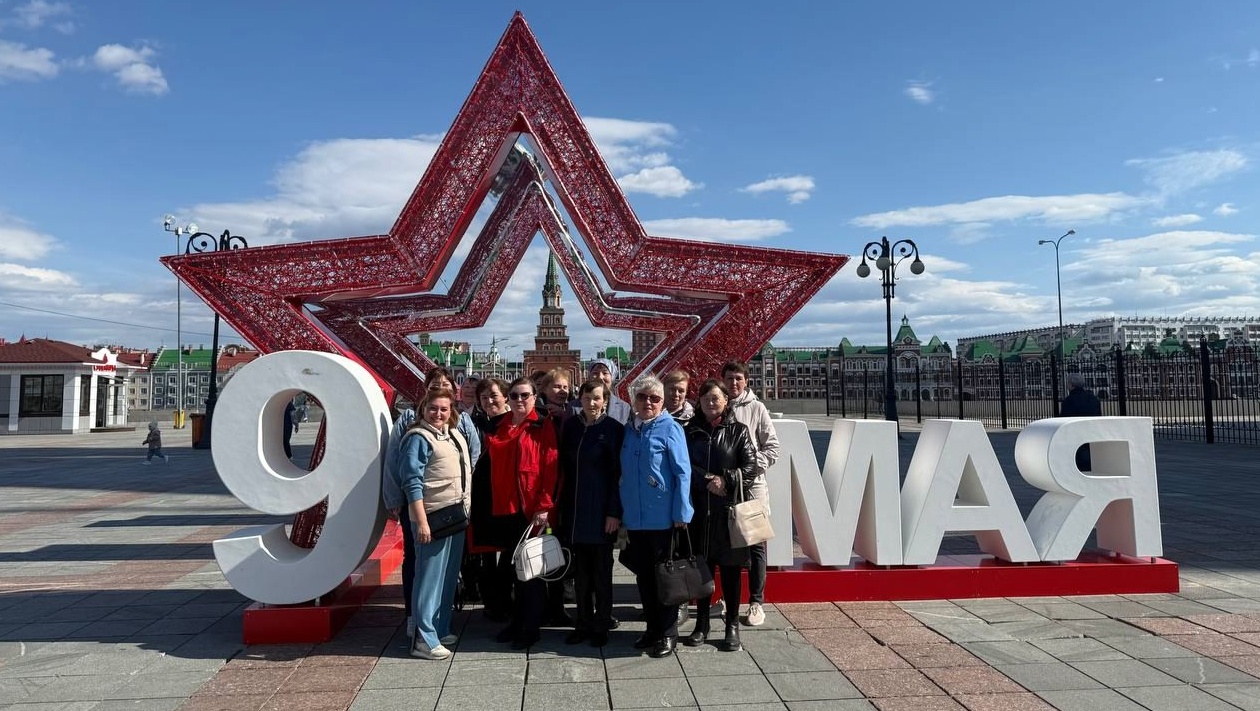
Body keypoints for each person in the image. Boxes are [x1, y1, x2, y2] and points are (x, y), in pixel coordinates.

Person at [620, 374, 693, 658]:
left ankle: (668, 632)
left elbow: (683, 472)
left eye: (654, 398)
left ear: (662, 402)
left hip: (662, 518)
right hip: (635, 518)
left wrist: (682, 511)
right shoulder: (629, 430)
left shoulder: (670, 428)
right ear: (633, 400)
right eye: (642, 397)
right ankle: (651, 629)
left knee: (665, 578)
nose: (648, 402)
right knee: (644, 577)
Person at [397, 388, 473, 660]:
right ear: (423, 409)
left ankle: (439, 628)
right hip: (432, 516)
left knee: (447, 577)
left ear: (451, 411)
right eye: (433, 408)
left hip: (455, 514)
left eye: (443, 409)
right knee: (428, 579)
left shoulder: (451, 434)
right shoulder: (418, 438)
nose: (438, 414)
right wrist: (421, 522)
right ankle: (423, 638)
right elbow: (411, 482)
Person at [485, 377, 559, 649]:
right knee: (513, 569)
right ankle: (517, 621)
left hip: (531, 509)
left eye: (525, 395)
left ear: (534, 397)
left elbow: (551, 467)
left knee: (531, 571)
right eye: (514, 395)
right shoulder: (501, 425)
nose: (519, 400)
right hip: (505, 508)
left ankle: (531, 627)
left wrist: (544, 506)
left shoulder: (543, 425)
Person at [684, 379, 757, 652]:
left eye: (715, 398)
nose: (710, 403)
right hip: (699, 514)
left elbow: (750, 467)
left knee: (730, 572)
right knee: (702, 572)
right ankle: (701, 624)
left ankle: (732, 626)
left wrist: (725, 479)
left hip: (728, 514)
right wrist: (707, 479)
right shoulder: (691, 431)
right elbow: (683, 465)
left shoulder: (738, 431)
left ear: (726, 401)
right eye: (705, 398)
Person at [557, 379, 624, 647]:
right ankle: (583, 622)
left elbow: (618, 475)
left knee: (601, 573)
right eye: (587, 398)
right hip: (575, 511)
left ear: (605, 401)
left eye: (597, 398)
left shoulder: (613, 429)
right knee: (581, 574)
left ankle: (602, 623)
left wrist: (613, 512)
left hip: (601, 512)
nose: (591, 403)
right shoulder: (572, 427)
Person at [722, 360, 779, 627]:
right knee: (724, 543)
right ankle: (725, 599)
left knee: (755, 543)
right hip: (724, 486)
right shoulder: (717, 405)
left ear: (746, 381)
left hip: (752, 486)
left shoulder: (756, 408)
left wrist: (748, 470)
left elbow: (772, 448)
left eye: (738, 378)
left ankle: (756, 602)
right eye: (729, 378)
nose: (734, 383)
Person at [469, 377, 514, 622]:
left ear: (505, 396)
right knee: (486, 555)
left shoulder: (514, 422)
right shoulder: (476, 423)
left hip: (508, 498)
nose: (489, 401)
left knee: (508, 553)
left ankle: (506, 600)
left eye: (494, 395)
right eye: (484, 397)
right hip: (483, 498)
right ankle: (492, 603)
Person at [1060, 373, 1103, 471]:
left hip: (1075, 434)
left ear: (1071, 385)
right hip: (1091, 433)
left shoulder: (1068, 401)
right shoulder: (1093, 399)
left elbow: (1063, 419)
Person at [573, 358, 631, 424]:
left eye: (605, 373)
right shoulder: (574, 406)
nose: (600, 377)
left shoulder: (624, 408)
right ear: (589, 376)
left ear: (612, 377)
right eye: (595, 373)